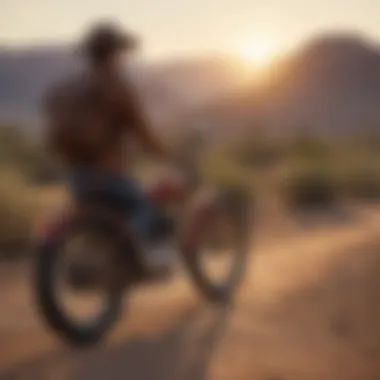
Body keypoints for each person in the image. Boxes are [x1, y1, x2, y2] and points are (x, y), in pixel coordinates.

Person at [42, 21, 173, 272]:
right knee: (145, 206)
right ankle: (141, 258)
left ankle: (107, 256)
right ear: (115, 54)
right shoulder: (116, 86)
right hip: (108, 176)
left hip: (76, 177)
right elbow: (142, 132)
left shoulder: (70, 88)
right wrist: (164, 152)